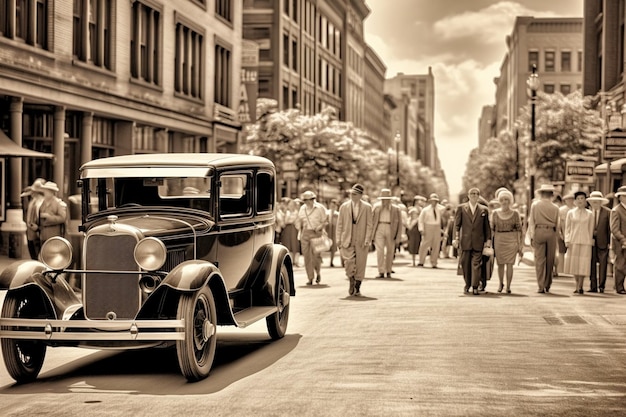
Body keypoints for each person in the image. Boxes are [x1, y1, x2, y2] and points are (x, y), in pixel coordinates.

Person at [336, 184, 373, 296]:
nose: (352, 196)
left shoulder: (367, 207)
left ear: (361, 195)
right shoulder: (344, 207)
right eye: (351, 194)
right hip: (347, 238)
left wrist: (367, 239)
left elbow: (369, 225)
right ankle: (351, 278)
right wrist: (338, 239)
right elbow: (340, 224)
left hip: (361, 239)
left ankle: (357, 286)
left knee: (361, 264)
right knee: (348, 262)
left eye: (355, 194)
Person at [453, 188, 491, 295]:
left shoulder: (484, 209)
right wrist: (456, 238)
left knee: (476, 264)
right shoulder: (461, 208)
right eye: (472, 193)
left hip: (478, 241)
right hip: (465, 241)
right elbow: (457, 225)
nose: (474, 195)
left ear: (479, 196)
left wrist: (488, 241)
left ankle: (475, 286)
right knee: (465, 264)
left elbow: (487, 227)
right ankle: (467, 284)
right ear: (468, 196)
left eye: (476, 194)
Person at [527, 183, 560, 293]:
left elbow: (532, 221)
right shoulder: (556, 207)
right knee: (550, 260)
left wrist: (531, 236)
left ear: (541, 194)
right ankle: (547, 284)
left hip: (539, 231)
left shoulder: (535, 205)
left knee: (539, 260)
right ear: (551, 194)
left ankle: (540, 285)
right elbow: (557, 224)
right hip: (551, 232)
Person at [491, 190, 523, 294]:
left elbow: (519, 230)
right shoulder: (495, 213)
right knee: (500, 264)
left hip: (511, 240)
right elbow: (492, 229)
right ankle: (501, 283)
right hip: (499, 240)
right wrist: (489, 244)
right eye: (502, 200)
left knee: (510, 264)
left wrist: (519, 245)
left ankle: (508, 286)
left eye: (506, 199)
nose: (504, 202)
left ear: (510, 201)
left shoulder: (515, 214)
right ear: (499, 201)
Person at [563, 191, 594, 295]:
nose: (580, 201)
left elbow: (591, 229)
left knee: (583, 264)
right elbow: (567, 228)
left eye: (582, 198)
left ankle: (580, 286)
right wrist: (567, 240)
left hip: (586, 242)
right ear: (575, 201)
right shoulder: (571, 213)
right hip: (573, 240)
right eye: (578, 199)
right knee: (574, 264)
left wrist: (590, 241)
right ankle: (577, 284)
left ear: (585, 201)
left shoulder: (590, 214)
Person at [296, 190, 327, 285]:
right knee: (307, 256)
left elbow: (325, 221)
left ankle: (318, 273)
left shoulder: (320, 208)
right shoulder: (302, 209)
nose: (307, 202)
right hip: (305, 233)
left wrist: (320, 227)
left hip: (316, 233)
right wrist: (300, 228)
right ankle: (310, 277)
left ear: (313, 199)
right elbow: (298, 220)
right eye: (305, 200)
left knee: (316, 256)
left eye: (308, 200)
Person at [372, 188, 403, 278]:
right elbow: (372, 220)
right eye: (383, 199)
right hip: (379, 227)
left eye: (386, 199)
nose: (384, 201)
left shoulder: (396, 209)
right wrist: (371, 235)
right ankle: (381, 271)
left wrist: (398, 236)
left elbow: (400, 224)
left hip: (391, 228)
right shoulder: (377, 207)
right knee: (380, 251)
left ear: (390, 199)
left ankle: (388, 270)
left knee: (390, 250)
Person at [587, 191, 611, 293]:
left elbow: (610, 229)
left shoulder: (608, 212)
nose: (595, 204)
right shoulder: (587, 212)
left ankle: (601, 286)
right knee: (591, 264)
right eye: (593, 202)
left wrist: (610, 242)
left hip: (603, 241)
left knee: (603, 264)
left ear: (601, 203)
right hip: (590, 241)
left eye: (597, 202)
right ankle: (593, 286)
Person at [417, 193, 444, 268]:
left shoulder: (439, 209)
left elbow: (445, 208)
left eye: (436, 201)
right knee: (425, 244)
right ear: (430, 201)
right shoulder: (425, 210)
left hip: (437, 227)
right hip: (428, 226)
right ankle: (421, 261)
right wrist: (421, 229)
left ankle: (434, 262)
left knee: (436, 245)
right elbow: (421, 220)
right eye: (433, 201)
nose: (434, 202)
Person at [22, 178, 46, 260]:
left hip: (37, 233)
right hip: (31, 232)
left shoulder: (41, 202)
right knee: (33, 254)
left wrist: (38, 228)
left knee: (37, 255)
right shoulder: (33, 201)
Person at [610, 185, 626, 294]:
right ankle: (619, 287)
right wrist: (623, 239)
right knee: (620, 264)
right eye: (624, 196)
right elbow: (614, 229)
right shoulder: (616, 210)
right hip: (620, 242)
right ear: (619, 197)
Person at [557, 193, 575, 276]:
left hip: (573, 234)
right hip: (562, 233)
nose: (570, 201)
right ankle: (560, 269)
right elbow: (559, 223)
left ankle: (569, 270)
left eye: (572, 199)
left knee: (572, 253)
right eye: (569, 200)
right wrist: (560, 233)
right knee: (561, 252)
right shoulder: (561, 210)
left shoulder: (575, 209)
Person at [281, 199, 301, 267]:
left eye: (292, 205)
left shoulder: (297, 212)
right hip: (287, 229)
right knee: (288, 244)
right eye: (290, 205)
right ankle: (290, 261)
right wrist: (291, 219)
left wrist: (291, 220)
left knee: (295, 244)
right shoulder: (287, 212)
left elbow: (297, 222)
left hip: (294, 229)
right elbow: (285, 221)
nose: (291, 206)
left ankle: (296, 261)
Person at [326, 199, 340, 267]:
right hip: (327, 230)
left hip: (334, 231)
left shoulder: (338, 214)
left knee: (333, 247)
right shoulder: (326, 213)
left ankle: (331, 261)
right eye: (332, 205)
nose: (333, 207)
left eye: (334, 205)